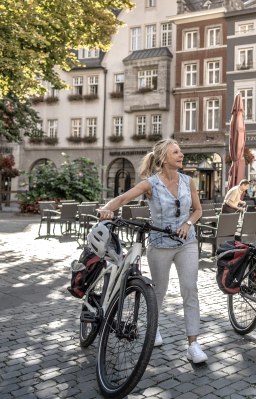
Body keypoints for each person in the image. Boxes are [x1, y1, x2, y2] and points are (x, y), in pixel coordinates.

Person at [98, 139, 207, 363]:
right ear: (164, 158)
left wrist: (188, 224)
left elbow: (197, 210)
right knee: (158, 291)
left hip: (187, 243)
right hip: (159, 245)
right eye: (176, 152)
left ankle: (193, 345)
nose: (182, 155)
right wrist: (107, 208)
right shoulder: (151, 184)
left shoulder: (189, 181)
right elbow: (124, 197)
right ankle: (153, 329)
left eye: (181, 151)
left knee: (190, 289)